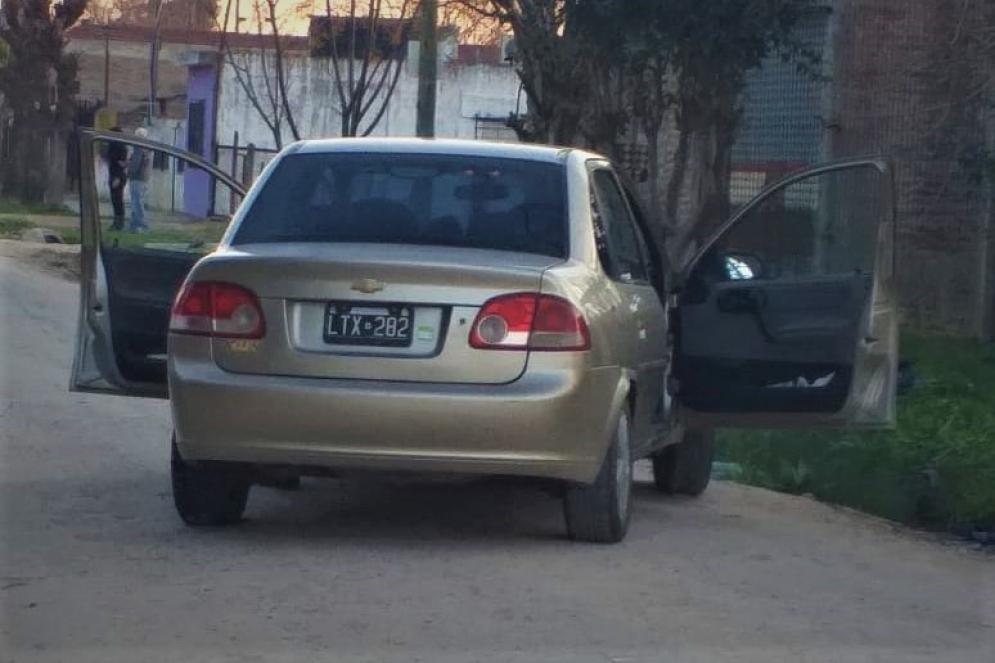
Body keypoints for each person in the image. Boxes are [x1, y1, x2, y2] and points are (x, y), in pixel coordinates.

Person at [127, 126, 151, 233]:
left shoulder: (139, 148)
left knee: (137, 202)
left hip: (137, 177)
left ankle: (141, 225)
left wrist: (129, 172)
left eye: (136, 136)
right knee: (136, 202)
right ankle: (134, 224)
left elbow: (136, 164)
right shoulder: (146, 148)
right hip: (143, 177)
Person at [105, 127, 128, 231]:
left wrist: (117, 177)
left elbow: (121, 163)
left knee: (118, 200)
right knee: (115, 200)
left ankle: (119, 223)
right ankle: (116, 222)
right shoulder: (113, 145)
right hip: (113, 174)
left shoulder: (120, 146)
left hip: (117, 176)